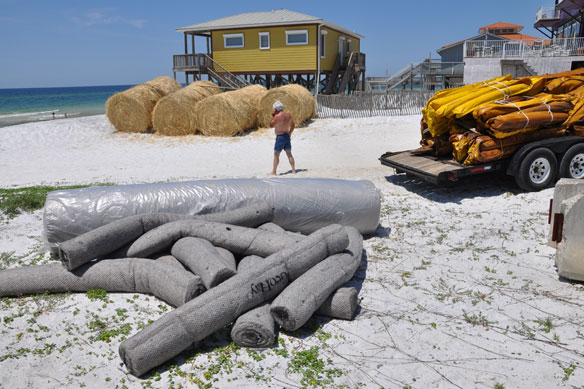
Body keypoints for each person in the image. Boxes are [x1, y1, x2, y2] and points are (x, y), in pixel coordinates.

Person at [269, 100, 296, 175]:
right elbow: (293, 125)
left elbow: (271, 125)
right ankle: (293, 170)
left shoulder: (277, 116)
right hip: (287, 136)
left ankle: (274, 171)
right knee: (289, 154)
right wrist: (290, 133)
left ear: (275, 109)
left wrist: (273, 116)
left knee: (276, 155)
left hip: (280, 137)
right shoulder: (288, 115)